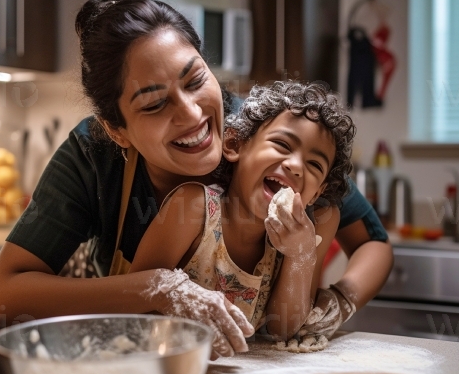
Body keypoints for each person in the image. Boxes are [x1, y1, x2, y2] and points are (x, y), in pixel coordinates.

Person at [0, 0, 393, 358]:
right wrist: (158, 287)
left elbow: (373, 243)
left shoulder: (258, 134)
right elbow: (4, 294)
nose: (193, 115)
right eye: (154, 104)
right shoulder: (93, 154)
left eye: (195, 79)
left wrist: (337, 300)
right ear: (117, 130)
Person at [130, 80, 355, 342]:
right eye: (282, 145)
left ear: (316, 193)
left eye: (314, 164)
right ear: (235, 145)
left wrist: (300, 256)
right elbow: (135, 299)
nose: (295, 166)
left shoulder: (304, 236)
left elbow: (283, 328)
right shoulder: (193, 208)